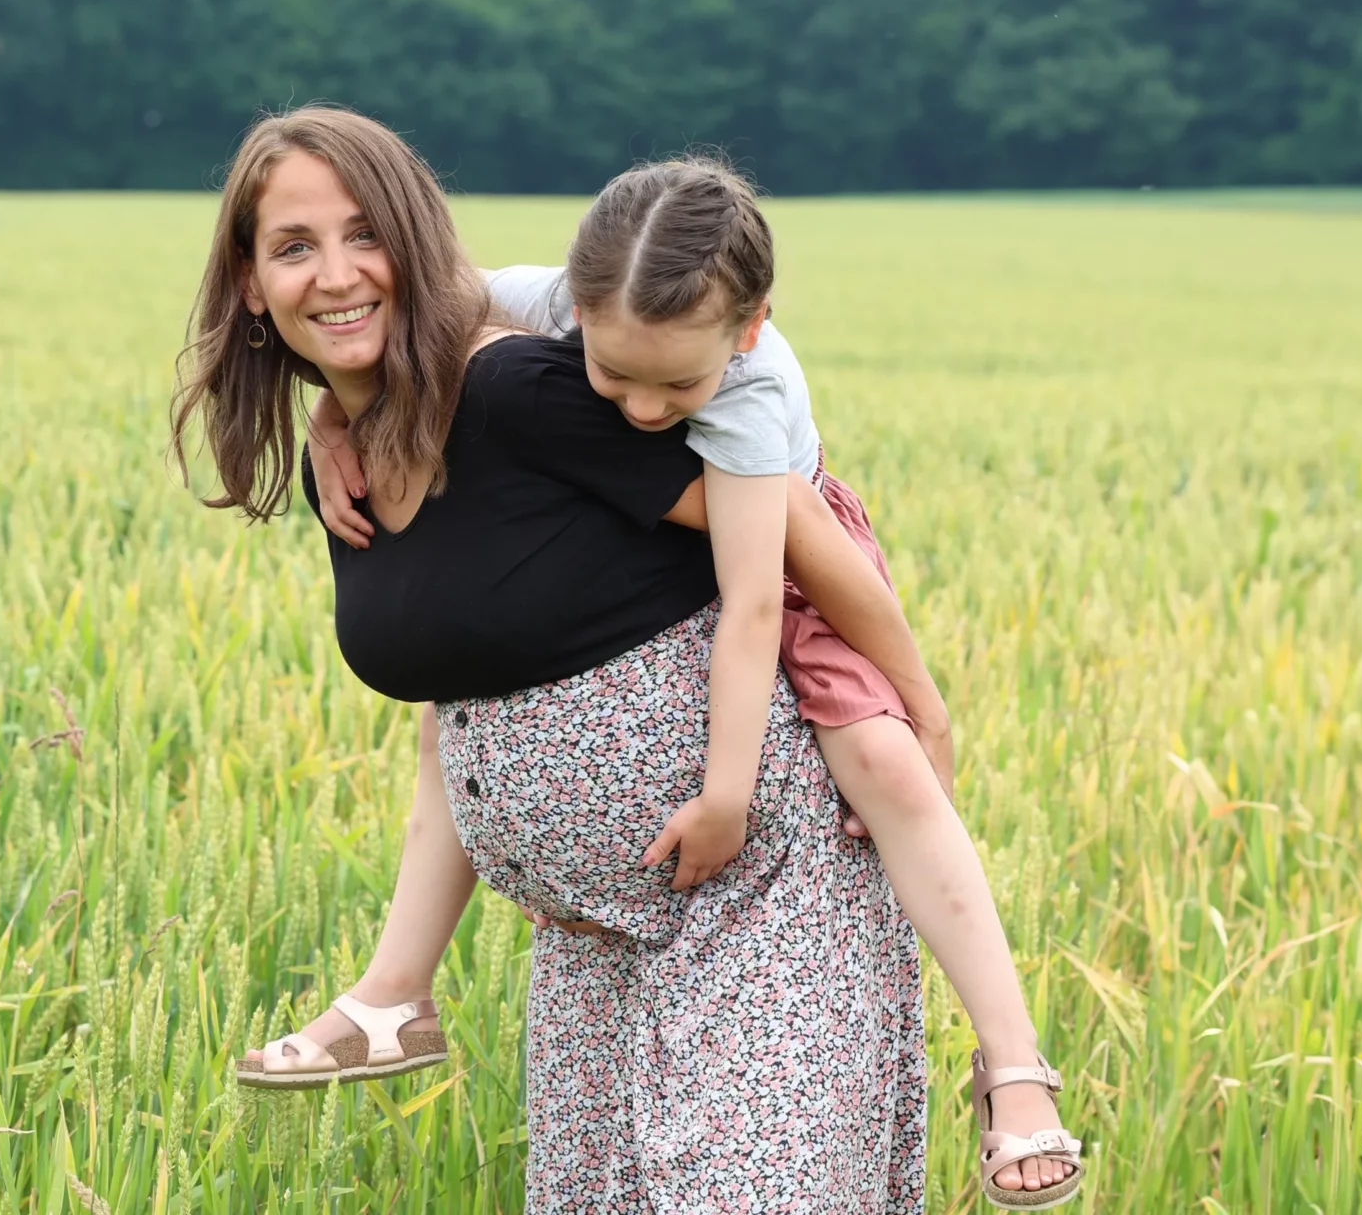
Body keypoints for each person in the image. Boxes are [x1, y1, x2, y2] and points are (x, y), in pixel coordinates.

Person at [172, 106, 925, 1210]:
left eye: (364, 233)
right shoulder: (359, 448)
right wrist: (336, 427)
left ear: (419, 245)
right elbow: (465, 715)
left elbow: (793, 528)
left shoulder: (523, 387)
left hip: (755, 896)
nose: (334, 274)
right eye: (293, 246)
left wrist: (919, 702)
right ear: (250, 281)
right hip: (593, 944)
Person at [309, 161, 1083, 1209]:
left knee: (886, 763)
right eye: (614, 373)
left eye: (676, 387)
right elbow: (427, 314)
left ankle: (1013, 1063)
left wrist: (733, 790)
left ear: (750, 326)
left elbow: (755, 608)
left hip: (790, 566)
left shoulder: (752, 399)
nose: (639, 408)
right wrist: (333, 416)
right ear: (576, 309)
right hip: (622, 912)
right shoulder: (559, 303)